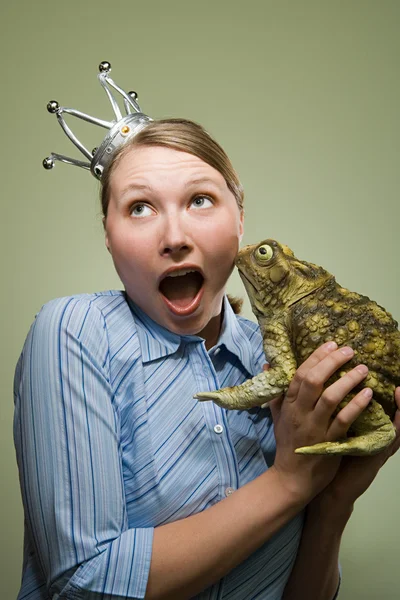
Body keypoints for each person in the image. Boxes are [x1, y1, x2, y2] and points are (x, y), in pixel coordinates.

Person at [14, 118, 400, 600]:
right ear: (109, 237)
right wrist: (288, 485)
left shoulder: (291, 369)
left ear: (239, 219)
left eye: (199, 200)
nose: (174, 236)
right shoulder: (75, 329)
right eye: (139, 207)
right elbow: (83, 583)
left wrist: (332, 503)